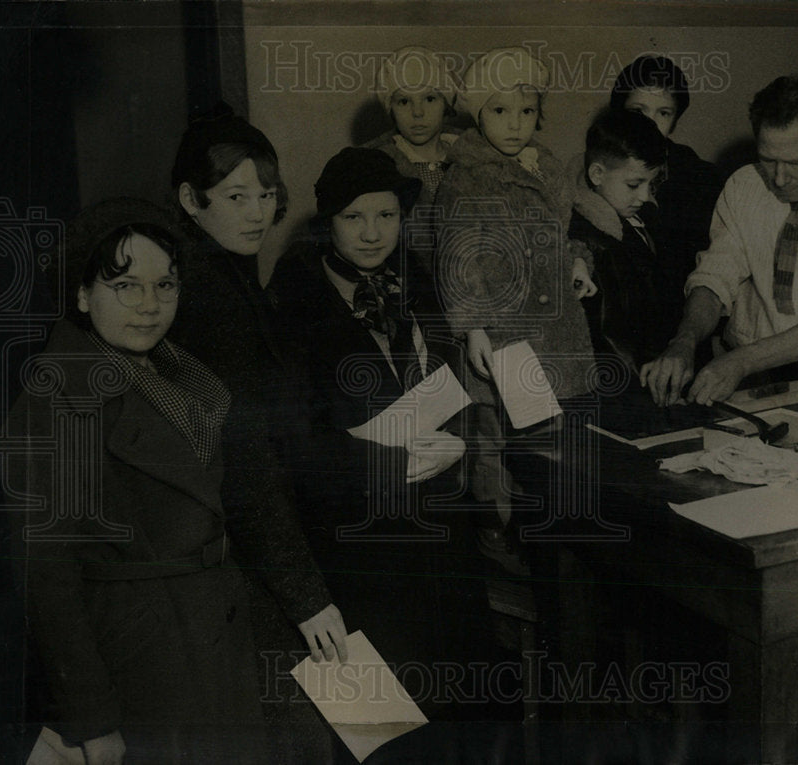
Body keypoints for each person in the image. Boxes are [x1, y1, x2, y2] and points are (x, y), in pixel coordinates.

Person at [7, 198, 265, 764]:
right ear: (81, 295)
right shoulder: (56, 402)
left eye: (165, 286)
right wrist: (94, 722)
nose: (150, 306)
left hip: (210, 646)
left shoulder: (180, 373)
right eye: (126, 286)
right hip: (141, 669)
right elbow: (48, 585)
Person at [267, 148, 502, 752]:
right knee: (382, 729)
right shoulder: (291, 297)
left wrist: (461, 442)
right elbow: (293, 445)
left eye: (387, 216)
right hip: (356, 541)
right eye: (353, 218)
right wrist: (389, 463)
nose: (372, 234)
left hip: (440, 529)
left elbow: (449, 383)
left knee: (466, 709)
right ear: (327, 222)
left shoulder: (415, 274)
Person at [168, 104, 344, 760]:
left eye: (267, 196)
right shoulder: (211, 302)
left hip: (253, 560)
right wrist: (308, 598)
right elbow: (245, 471)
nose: (256, 212)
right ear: (191, 199)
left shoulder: (233, 282)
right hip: (238, 571)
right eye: (235, 196)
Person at [642, 75, 798, 406]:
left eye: (795, 163)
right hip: (753, 371)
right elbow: (714, 277)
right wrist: (685, 340)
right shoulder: (743, 185)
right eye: (767, 159)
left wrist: (742, 361)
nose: (778, 178)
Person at [433, 46, 598, 542]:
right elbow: (456, 258)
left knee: (563, 440)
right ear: (478, 114)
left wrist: (576, 261)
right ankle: (514, 539)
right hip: (506, 335)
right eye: (500, 111)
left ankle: (559, 533)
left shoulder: (544, 167)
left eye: (527, 112)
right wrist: (474, 328)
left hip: (557, 327)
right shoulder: (465, 179)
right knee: (512, 446)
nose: (515, 124)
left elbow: (561, 230)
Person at [610, 54, 726, 342]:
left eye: (663, 113)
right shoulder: (597, 172)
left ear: (675, 119)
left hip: (686, 323)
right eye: (639, 111)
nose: (649, 124)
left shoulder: (700, 177)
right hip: (619, 323)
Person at [568, 108, 671, 372]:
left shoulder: (634, 217)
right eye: (634, 185)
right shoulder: (593, 243)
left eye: (651, 184)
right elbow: (613, 342)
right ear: (597, 174)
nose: (645, 197)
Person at [364, 46, 461, 275]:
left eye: (429, 98)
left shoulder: (472, 158)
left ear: (446, 103)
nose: (418, 112)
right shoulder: (376, 167)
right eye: (404, 102)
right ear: (390, 108)